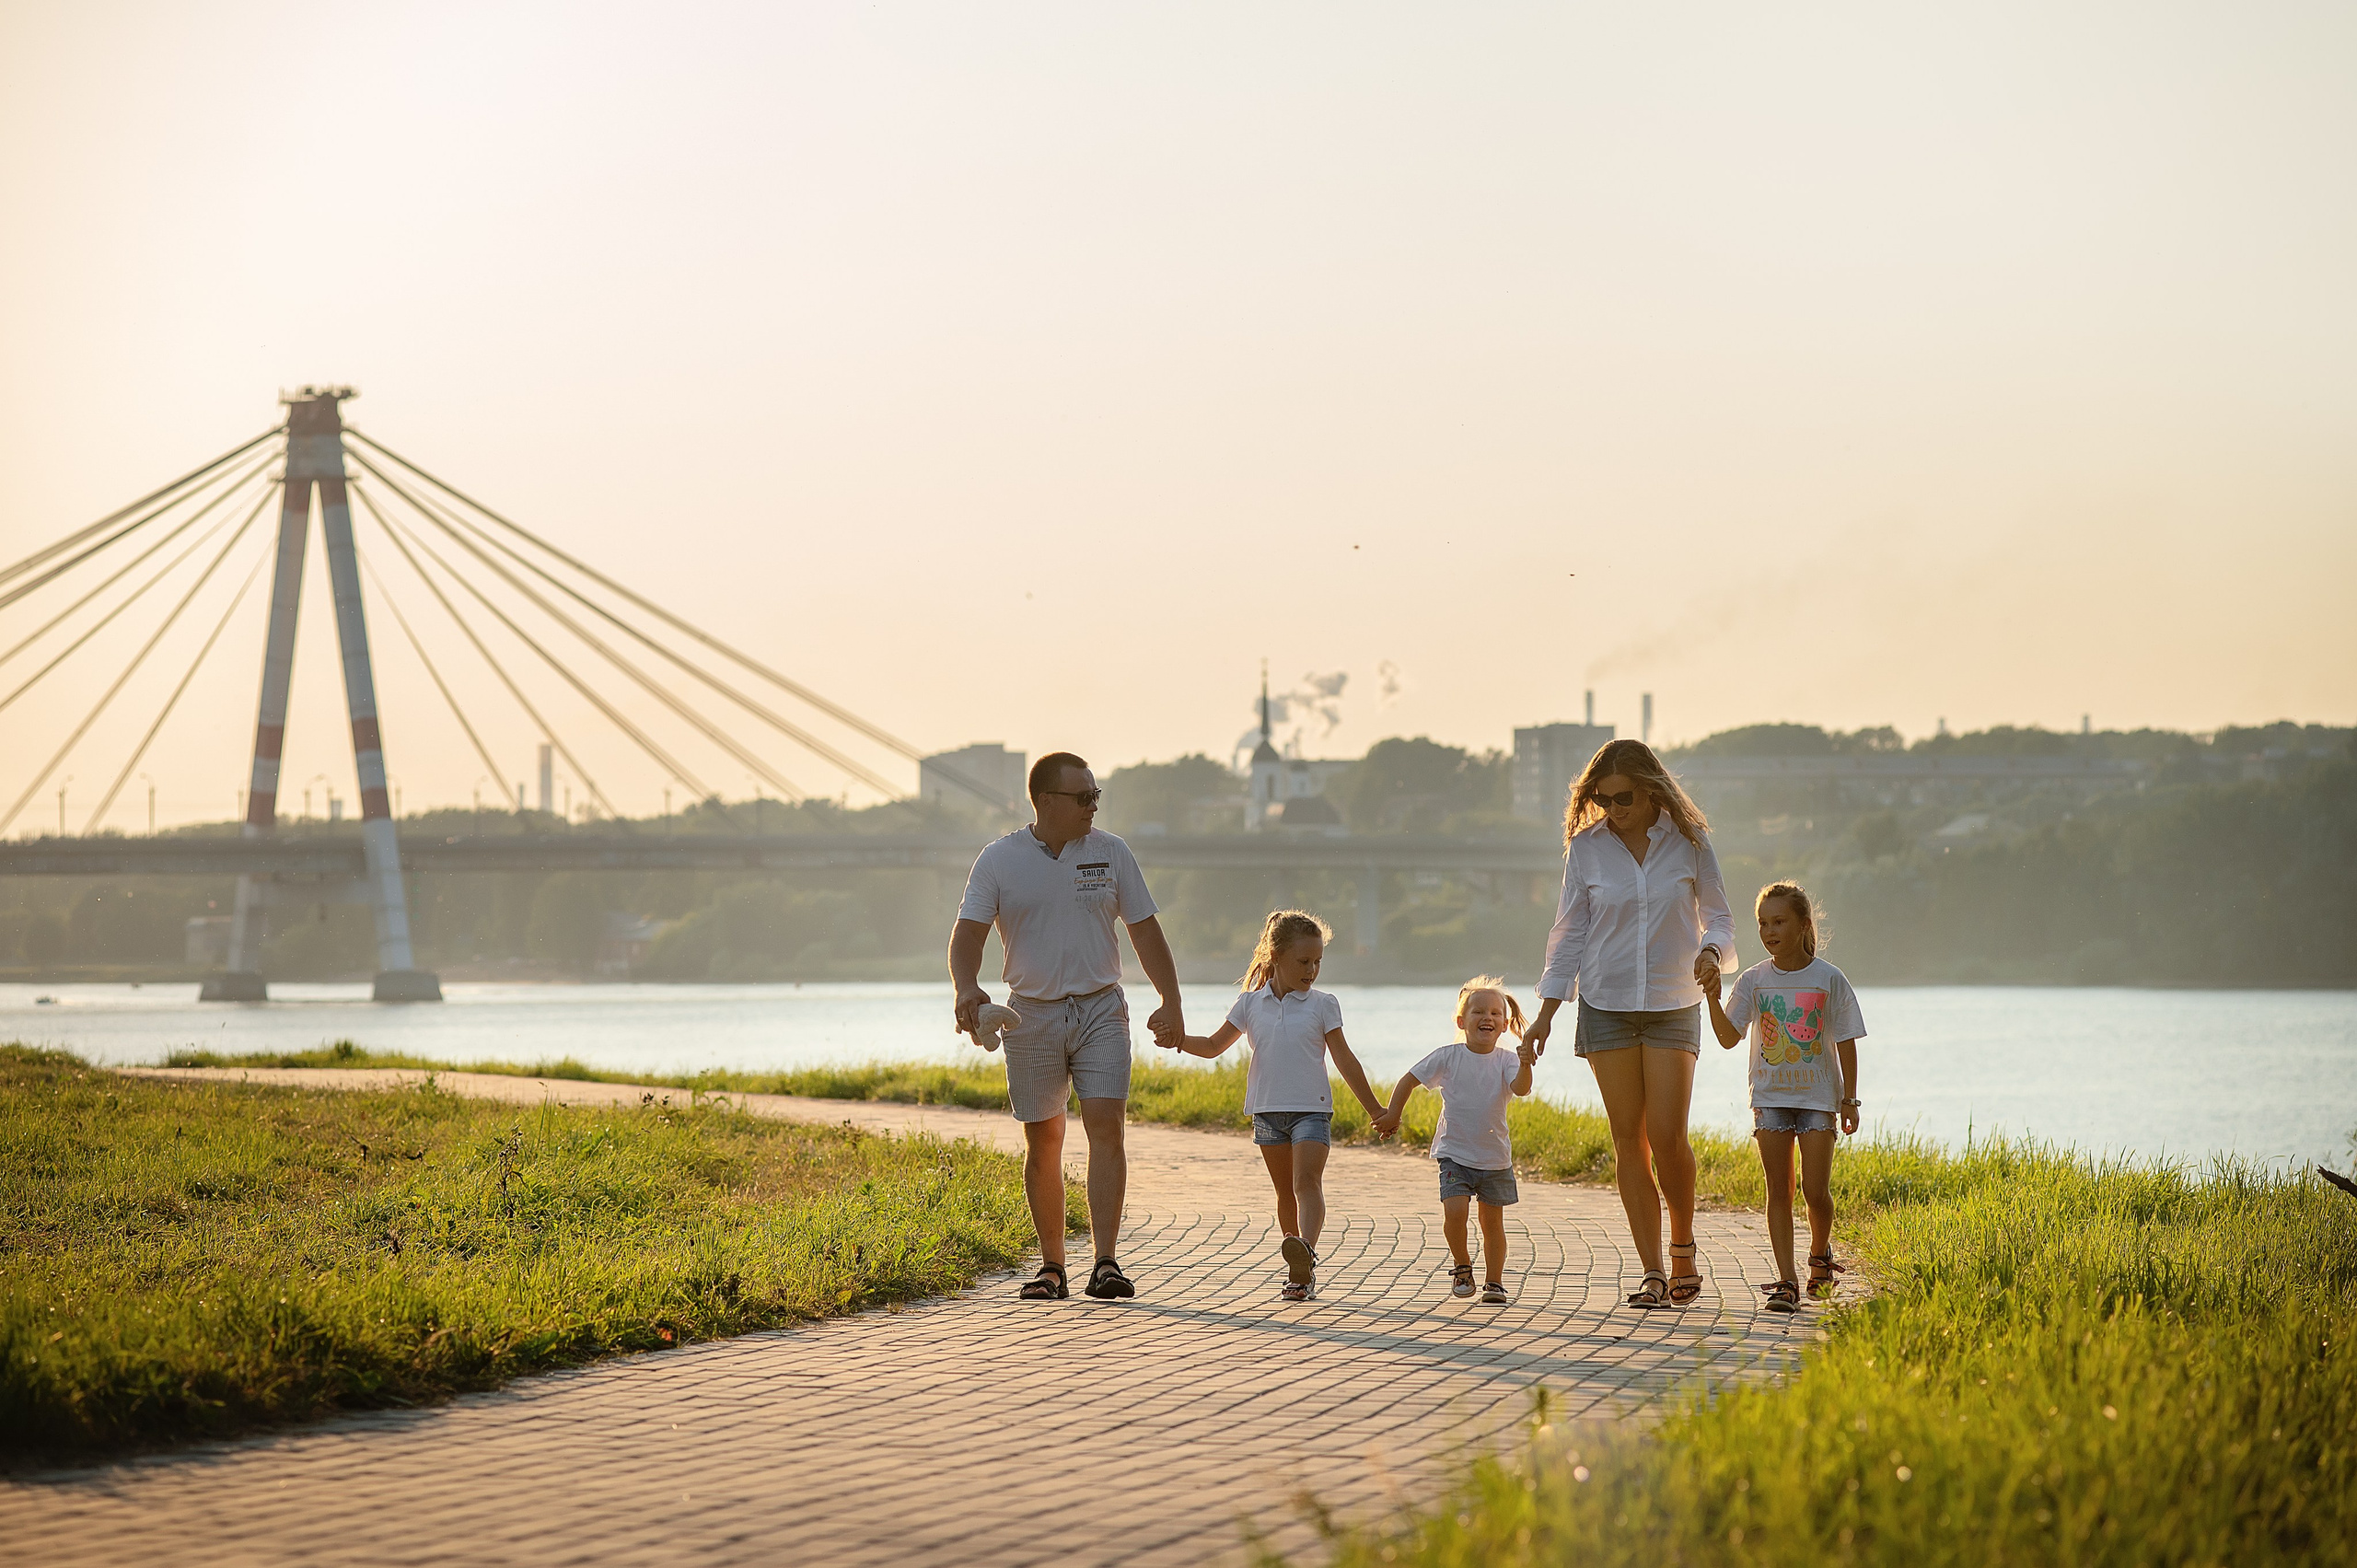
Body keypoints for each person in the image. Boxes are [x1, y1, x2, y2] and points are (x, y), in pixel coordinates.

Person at [949, 751, 1186, 1302]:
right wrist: (967, 987)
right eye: (1083, 797)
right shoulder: (1000, 858)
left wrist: (1170, 1000)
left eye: (1097, 795)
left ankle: (1105, 1262)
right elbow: (967, 936)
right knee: (1045, 1137)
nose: (1093, 805)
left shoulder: (1111, 851)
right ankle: (1052, 1266)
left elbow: (1146, 931)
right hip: (1030, 1012)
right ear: (1046, 801)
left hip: (1101, 1006)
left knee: (1106, 1128)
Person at [1522, 739, 1735, 1310]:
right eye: (1601, 798)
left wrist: (1713, 954)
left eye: (1623, 797)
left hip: (1673, 1001)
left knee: (1668, 1139)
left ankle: (1684, 1247)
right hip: (1606, 1004)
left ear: (1651, 791)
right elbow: (1568, 934)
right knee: (1629, 1141)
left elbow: (1719, 918)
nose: (1612, 809)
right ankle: (1653, 1271)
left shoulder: (1688, 842)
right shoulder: (1586, 850)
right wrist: (1545, 1013)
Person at [1162, 910, 1385, 1301]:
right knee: (1285, 1193)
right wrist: (1178, 1040)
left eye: (1318, 962)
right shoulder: (1250, 1004)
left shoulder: (1323, 1004)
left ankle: (1308, 1253)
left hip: (1312, 1110)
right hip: (1267, 1112)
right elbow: (1214, 1047)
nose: (1312, 970)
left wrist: (1375, 1110)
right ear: (1275, 957)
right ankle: (1298, 1272)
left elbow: (1345, 1060)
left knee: (1306, 1184)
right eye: (1304, 961)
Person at [1704, 881, 1865, 1311]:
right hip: (1771, 1097)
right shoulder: (1754, 980)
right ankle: (1787, 1282)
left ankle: (1819, 1254)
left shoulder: (1830, 978)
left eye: (1779, 922)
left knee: (1816, 1191)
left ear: (1803, 925)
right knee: (1779, 1190)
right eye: (1763, 923)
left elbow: (1847, 1040)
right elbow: (1726, 1039)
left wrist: (1850, 1100)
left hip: (1818, 1099)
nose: (1769, 931)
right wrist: (1712, 999)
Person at [1370, 977, 1536, 1305]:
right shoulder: (1448, 1057)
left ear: (1504, 1024)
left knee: (1492, 1224)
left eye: (1494, 1013)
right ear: (1462, 1021)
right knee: (1455, 1213)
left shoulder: (1507, 1060)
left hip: (1494, 1158)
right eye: (1477, 1012)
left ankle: (1494, 1282)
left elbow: (1521, 1088)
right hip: (1454, 1153)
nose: (1486, 1018)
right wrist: (1393, 1114)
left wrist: (1527, 1062)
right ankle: (1462, 1265)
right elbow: (1408, 1079)